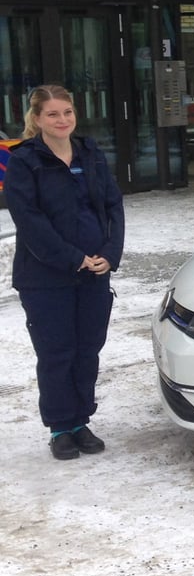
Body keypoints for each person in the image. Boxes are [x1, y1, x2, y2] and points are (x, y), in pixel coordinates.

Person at [4, 85, 125, 461]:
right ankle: (60, 426)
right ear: (37, 119)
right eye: (53, 114)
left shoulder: (91, 153)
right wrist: (73, 257)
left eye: (67, 112)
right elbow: (30, 220)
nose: (62, 120)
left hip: (94, 272)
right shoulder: (25, 161)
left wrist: (109, 253)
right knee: (57, 352)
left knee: (87, 350)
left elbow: (112, 205)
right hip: (45, 277)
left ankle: (81, 421)